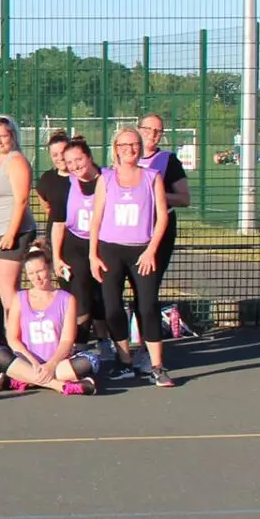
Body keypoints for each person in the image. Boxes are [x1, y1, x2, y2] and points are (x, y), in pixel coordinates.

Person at [89, 128, 175, 388]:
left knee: (147, 306)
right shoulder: (106, 178)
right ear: (116, 148)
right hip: (111, 250)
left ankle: (157, 366)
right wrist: (93, 254)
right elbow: (96, 219)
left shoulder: (152, 177)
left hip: (142, 250)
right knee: (113, 307)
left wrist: (151, 250)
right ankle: (124, 362)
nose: (130, 148)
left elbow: (162, 217)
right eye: (124, 144)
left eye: (135, 143)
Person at [2, 249, 98, 395]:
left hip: (58, 363)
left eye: (40, 271)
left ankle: (24, 380)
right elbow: (12, 338)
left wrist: (51, 365)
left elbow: (67, 340)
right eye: (31, 274)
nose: (37, 278)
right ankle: (61, 386)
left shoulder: (67, 299)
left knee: (91, 361)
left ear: (50, 268)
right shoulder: (19, 298)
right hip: (28, 362)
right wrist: (33, 362)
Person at [0, 115, 37, 318]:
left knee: (9, 290)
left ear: (12, 136)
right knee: (5, 289)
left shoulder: (16, 161)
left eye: (3, 136)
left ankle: (17, 337)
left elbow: (21, 200)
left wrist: (11, 234)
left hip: (13, 232)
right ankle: (14, 335)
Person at [48, 137, 105, 342]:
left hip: (102, 244)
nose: (74, 166)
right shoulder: (67, 186)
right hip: (75, 244)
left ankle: (105, 342)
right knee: (80, 294)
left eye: (78, 160)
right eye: (69, 162)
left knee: (102, 296)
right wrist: (56, 257)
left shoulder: (107, 179)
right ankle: (79, 345)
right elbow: (58, 223)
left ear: (89, 157)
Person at [136, 113, 191, 306]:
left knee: (148, 285)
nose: (152, 134)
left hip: (158, 229)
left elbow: (184, 199)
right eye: (148, 130)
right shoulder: (123, 158)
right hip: (129, 229)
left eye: (158, 131)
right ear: (138, 130)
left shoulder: (168, 161)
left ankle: (146, 331)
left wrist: (154, 194)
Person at [34, 131, 72, 232]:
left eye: (63, 153)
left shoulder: (82, 177)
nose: (60, 158)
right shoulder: (47, 179)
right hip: (55, 235)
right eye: (55, 155)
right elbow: (47, 208)